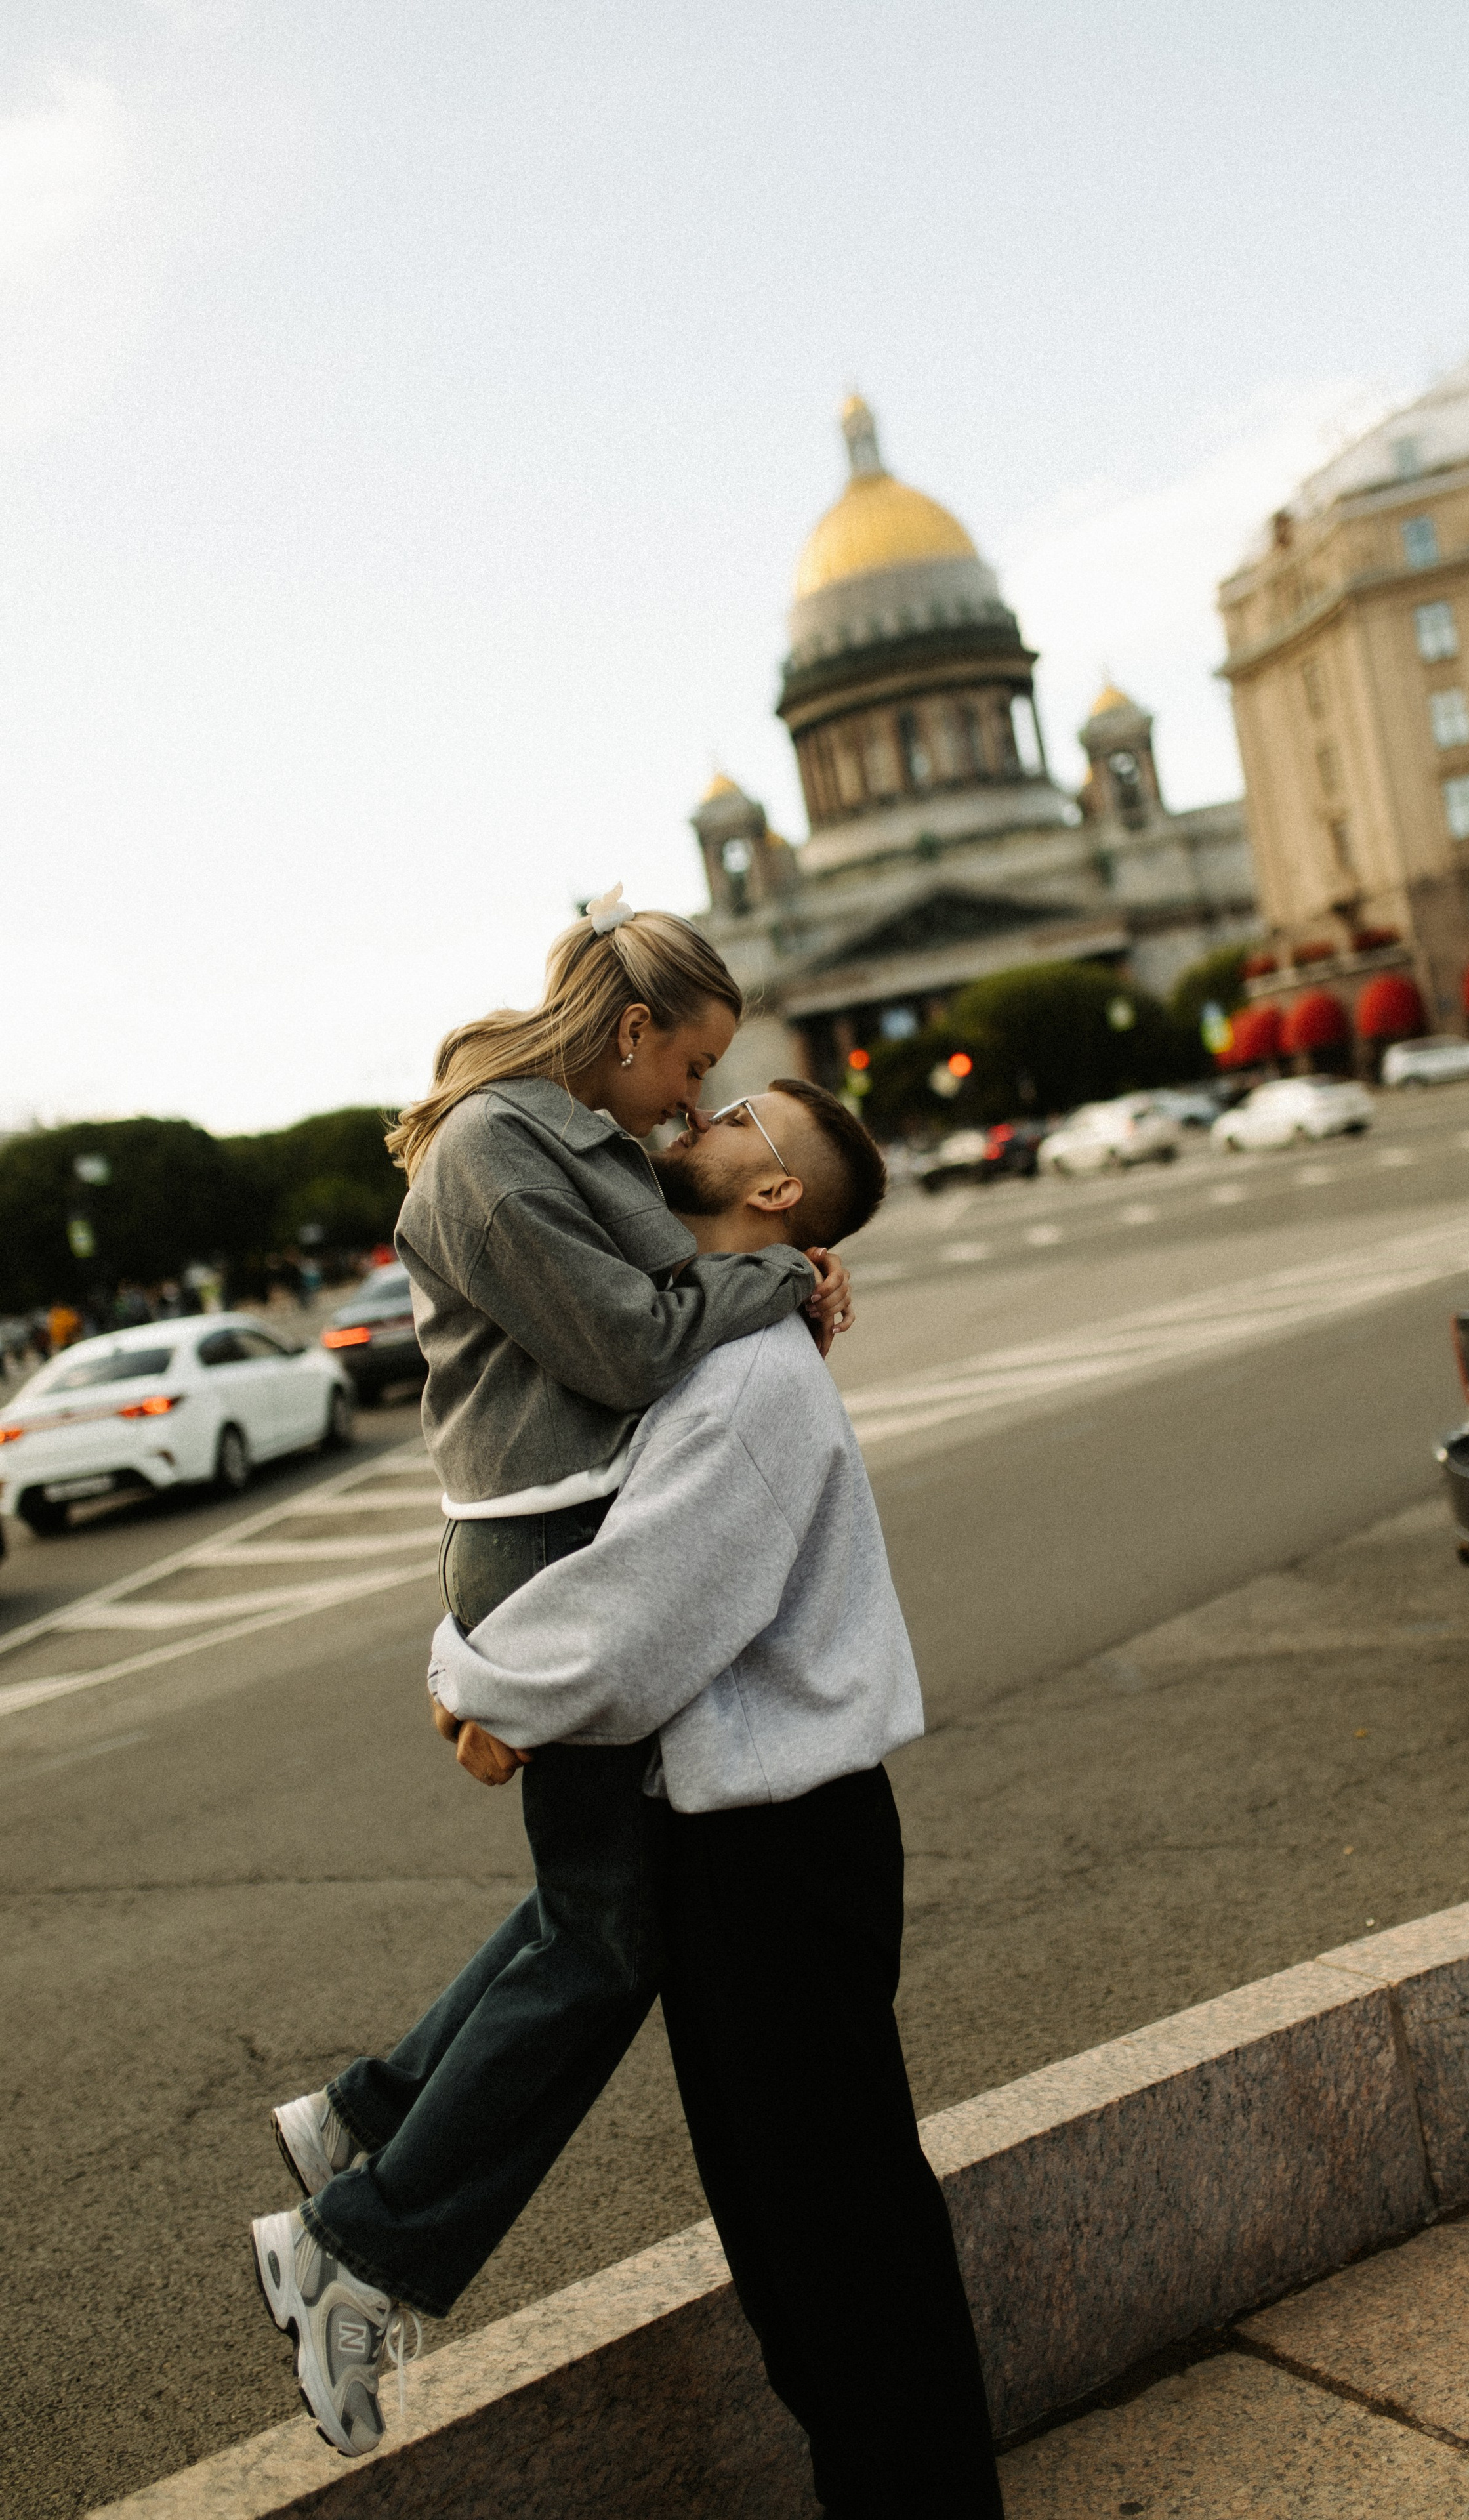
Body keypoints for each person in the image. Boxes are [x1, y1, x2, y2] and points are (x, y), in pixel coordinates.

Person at [258, 1080, 1003, 2519]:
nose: (694, 1113)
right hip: (740, 1838)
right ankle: (367, 2148)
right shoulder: (713, 1333)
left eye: (736, 1112)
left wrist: (476, 1680)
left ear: (774, 1191)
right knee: (791, 2228)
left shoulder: (750, 1378)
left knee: (835, 2229)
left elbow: (646, 1607)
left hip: (779, 1853)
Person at [251, 894, 852, 2455]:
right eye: (692, 1066)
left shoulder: (579, 1138)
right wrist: (784, 1283)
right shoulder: (492, 1149)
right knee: (603, 1942)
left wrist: (783, 1260)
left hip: (578, 1532)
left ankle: (366, 2121)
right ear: (632, 1028)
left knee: (595, 1908)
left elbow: (685, 1269)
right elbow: (628, 1344)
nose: (692, 1102)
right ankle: (356, 2247)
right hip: (542, 1548)